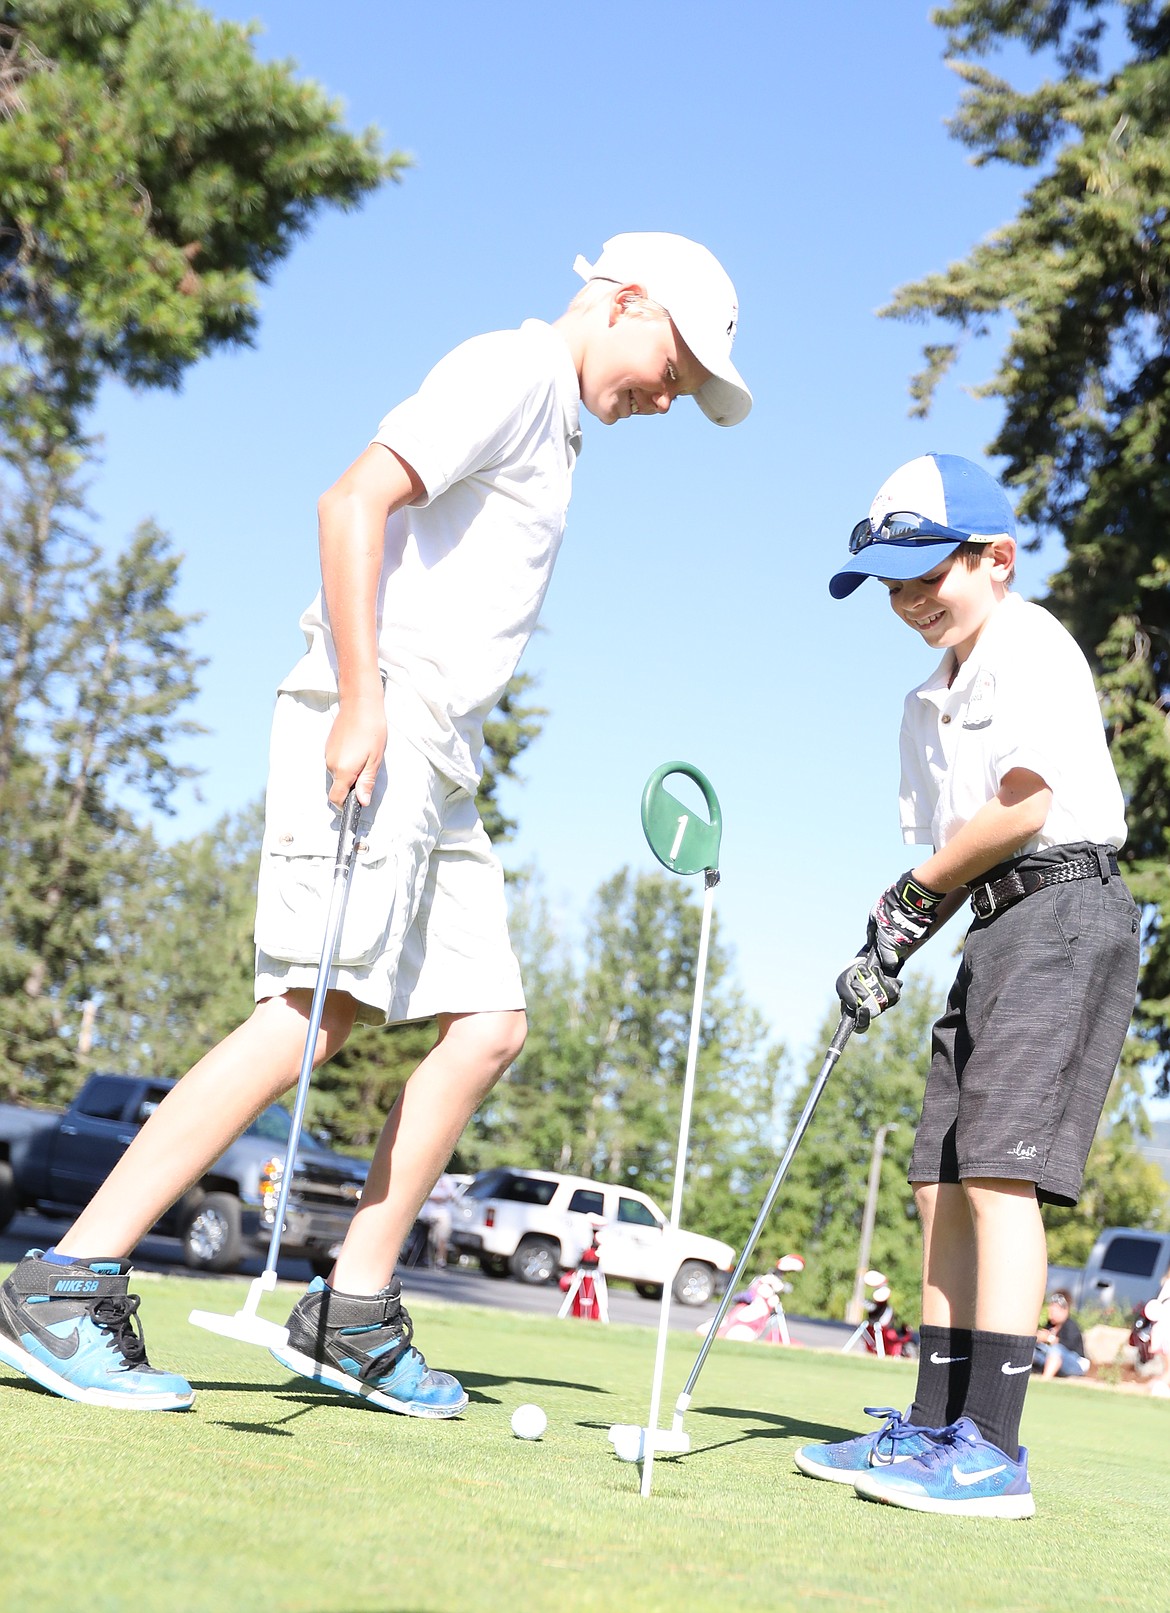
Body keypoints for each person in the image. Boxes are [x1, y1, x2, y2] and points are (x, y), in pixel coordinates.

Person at [0, 233, 751, 1416]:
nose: (673, 390)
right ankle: (69, 1276)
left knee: (491, 1022)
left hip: (441, 758)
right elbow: (353, 497)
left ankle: (351, 1309)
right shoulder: (513, 371)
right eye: (677, 358)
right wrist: (360, 699)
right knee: (309, 1007)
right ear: (626, 299)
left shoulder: (556, 420)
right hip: (376, 715)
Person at [793, 453, 1139, 1519]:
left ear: (997, 558)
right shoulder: (924, 702)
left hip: (1068, 911)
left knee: (999, 1172)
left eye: (925, 573)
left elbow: (1023, 810)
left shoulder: (1028, 643)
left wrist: (904, 896)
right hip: (995, 926)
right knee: (938, 1179)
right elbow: (956, 855)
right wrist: (890, 942)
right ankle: (931, 1425)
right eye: (891, 584)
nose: (908, 600)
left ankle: (992, 1446)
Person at [1033, 1290, 1089, 1380]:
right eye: (1051, 1309)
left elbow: (1068, 1345)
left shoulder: (1071, 1326)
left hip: (1075, 1364)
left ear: (1065, 1310)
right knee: (1032, 1350)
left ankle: (1045, 1380)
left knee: (1056, 1349)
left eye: (1055, 1310)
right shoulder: (1049, 1325)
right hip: (1052, 1360)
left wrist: (1049, 1338)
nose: (1051, 1313)